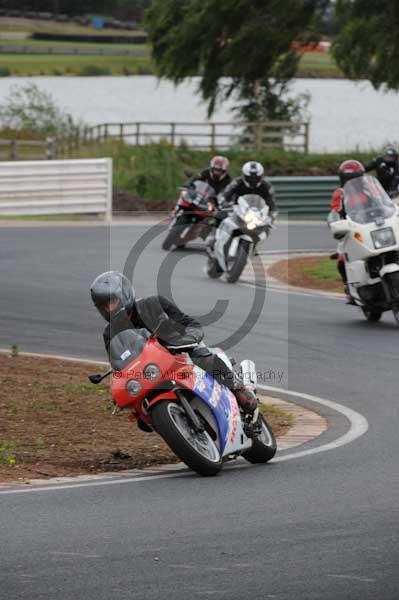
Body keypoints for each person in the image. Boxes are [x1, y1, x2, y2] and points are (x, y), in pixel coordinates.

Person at [90, 271, 259, 422]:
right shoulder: (109, 333)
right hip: (151, 369)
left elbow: (190, 323)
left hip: (181, 349)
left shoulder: (154, 303)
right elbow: (118, 362)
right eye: (102, 306)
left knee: (203, 358)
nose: (108, 309)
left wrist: (189, 337)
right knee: (142, 418)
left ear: (124, 294)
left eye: (111, 302)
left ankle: (239, 389)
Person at [327, 159, 365, 302]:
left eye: (354, 179)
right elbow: (335, 210)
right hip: (350, 228)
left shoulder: (368, 188)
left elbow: (383, 201)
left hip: (369, 224)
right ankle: (349, 287)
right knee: (342, 260)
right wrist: (338, 221)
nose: (351, 182)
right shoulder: (339, 193)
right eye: (348, 179)